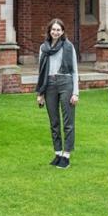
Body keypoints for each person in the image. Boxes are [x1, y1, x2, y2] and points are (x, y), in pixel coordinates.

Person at [36, 18, 79, 169]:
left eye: (58, 30)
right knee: (54, 122)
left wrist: (76, 93)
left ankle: (66, 155)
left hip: (66, 83)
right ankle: (58, 153)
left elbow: (74, 70)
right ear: (49, 31)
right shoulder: (43, 48)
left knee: (68, 122)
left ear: (62, 31)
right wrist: (40, 93)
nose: (55, 32)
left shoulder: (68, 47)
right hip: (49, 85)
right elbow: (40, 71)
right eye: (53, 30)